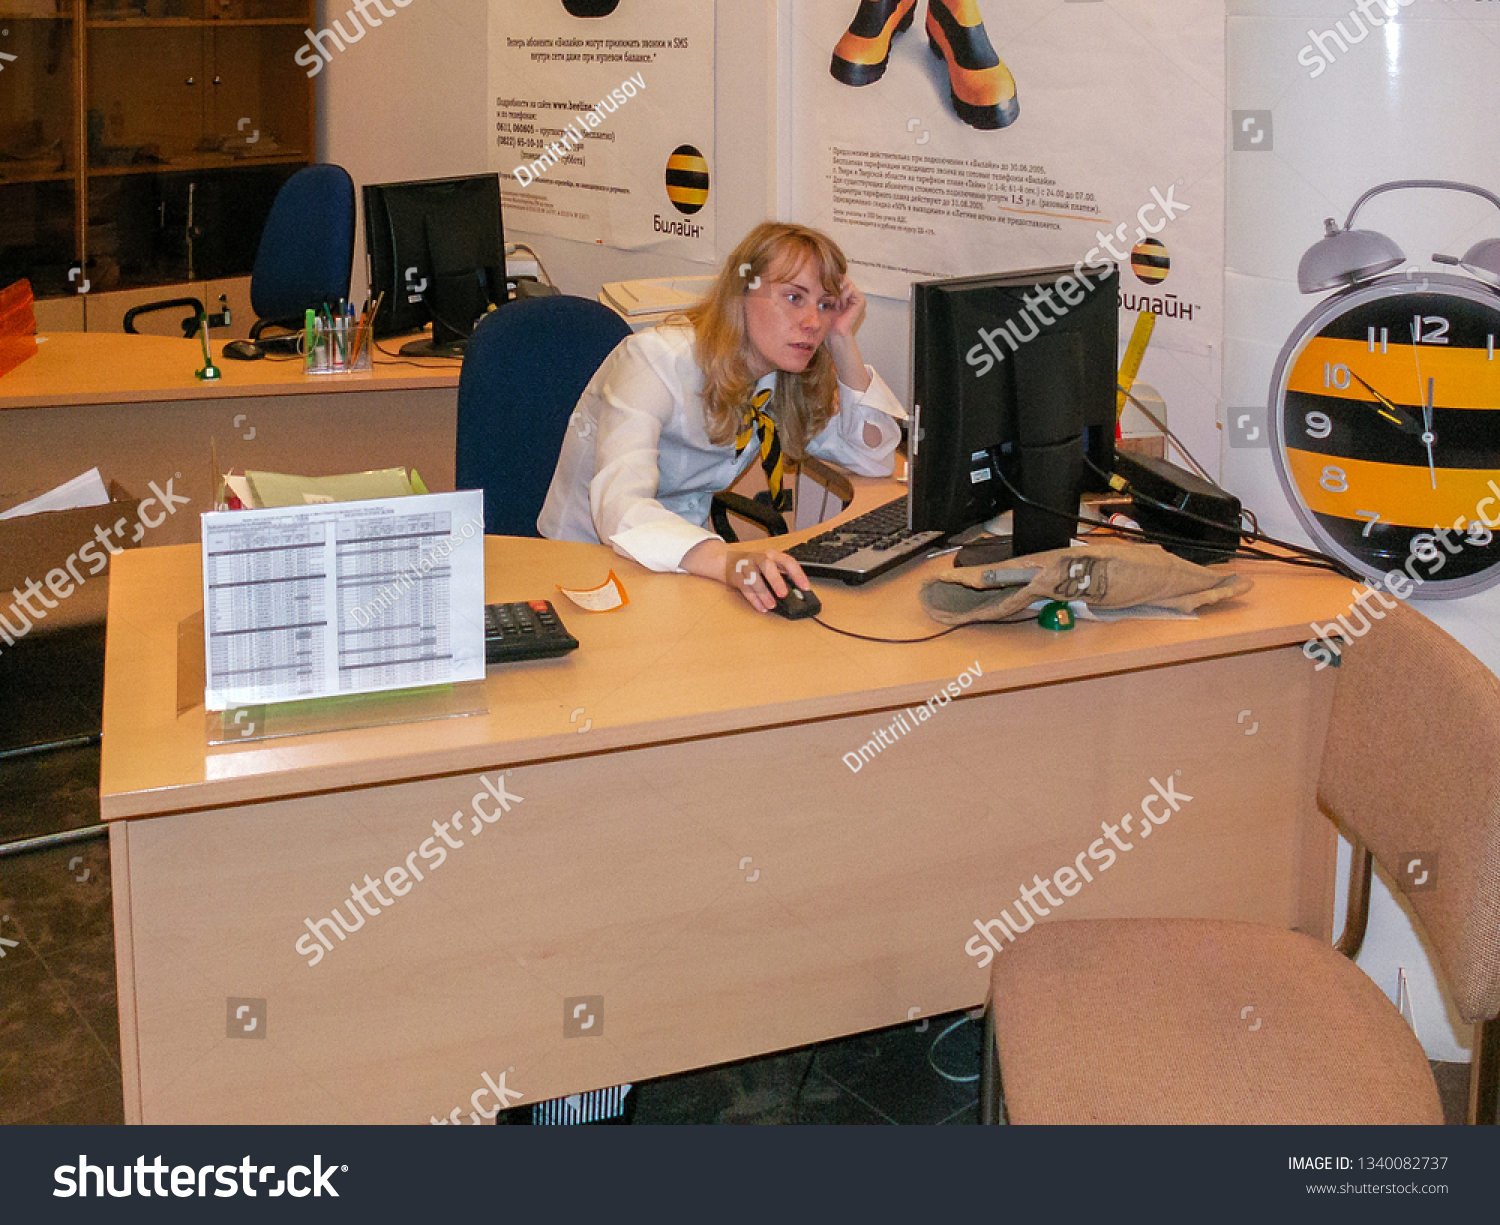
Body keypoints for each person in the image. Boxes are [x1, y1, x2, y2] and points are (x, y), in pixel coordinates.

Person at [538, 221, 905, 611]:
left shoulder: (781, 374)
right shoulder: (652, 362)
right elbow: (619, 506)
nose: (813, 322)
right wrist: (727, 560)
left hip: (690, 563)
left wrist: (843, 339)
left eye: (825, 304)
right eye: (794, 298)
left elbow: (872, 456)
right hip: (587, 564)